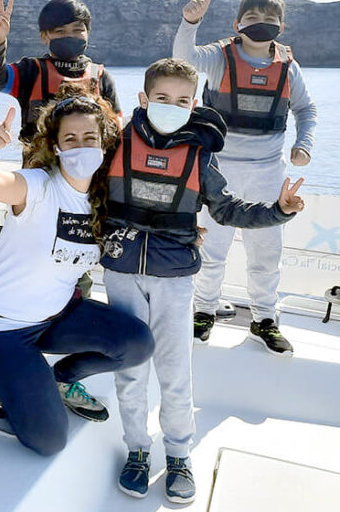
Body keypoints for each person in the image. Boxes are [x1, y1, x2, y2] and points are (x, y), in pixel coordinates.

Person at [102, 58, 306, 504]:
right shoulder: (113, 142)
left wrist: (278, 210)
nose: (171, 107)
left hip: (174, 279)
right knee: (129, 372)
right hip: (120, 273)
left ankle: (178, 455)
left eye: (181, 101)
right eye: (162, 99)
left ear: (193, 105)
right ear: (143, 99)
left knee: (175, 374)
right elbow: (82, 184)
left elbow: (228, 209)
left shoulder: (200, 156)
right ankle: (137, 450)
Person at [0, 93, 154, 455]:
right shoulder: (38, 186)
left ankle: (60, 378)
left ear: (103, 144)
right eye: (71, 138)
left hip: (54, 317)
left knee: (137, 343)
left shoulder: (103, 200)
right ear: (55, 146)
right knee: (50, 441)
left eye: (90, 138)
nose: (81, 146)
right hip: (1, 328)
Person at [173, 0, 317, 354]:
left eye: (268, 17)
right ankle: (203, 311)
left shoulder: (288, 65)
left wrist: (305, 145)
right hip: (218, 172)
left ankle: (265, 319)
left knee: (266, 251)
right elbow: (183, 59)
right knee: (213, 247)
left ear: (281, 27)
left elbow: (306, 109)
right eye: (252, 16)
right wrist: (190, 23)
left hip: (268, 172)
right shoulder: (220, 57)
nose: (259, 22)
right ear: (238, 24)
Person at [0, 0, 121, 146]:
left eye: (77, 30)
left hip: (90, 167)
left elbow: (116, 128)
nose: (70, 36)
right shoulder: (31, 71)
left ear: (87, 33)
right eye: (61, 31)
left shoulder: (101, 77)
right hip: (39, 167)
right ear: (44, 36)